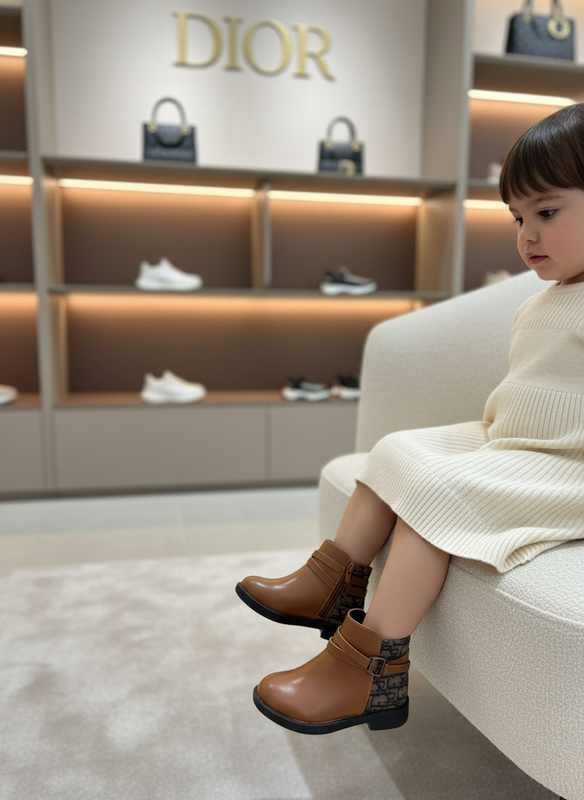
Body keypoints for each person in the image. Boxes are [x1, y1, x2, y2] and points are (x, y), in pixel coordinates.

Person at [236, 103, 584, 735]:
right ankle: (330, 582)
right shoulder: (544, 300)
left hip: (570, 464)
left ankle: (368, 670)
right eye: (518, 218)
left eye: (547, 213)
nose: (526, 236)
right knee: (395, 451)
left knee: (437, 499)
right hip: (517, 441)